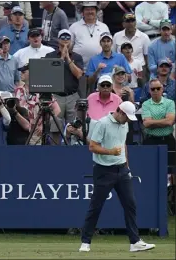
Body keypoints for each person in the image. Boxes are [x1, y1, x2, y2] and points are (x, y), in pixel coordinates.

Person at [79, 101, 156, 253]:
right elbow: (92, 146)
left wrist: (127, 166)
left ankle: (135, 242)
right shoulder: (102, 123)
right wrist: (110, 152)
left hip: (122, 170)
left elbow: (123, 145)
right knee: (96, 206)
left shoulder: (124, 124)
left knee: (130, 204)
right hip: (103, 171)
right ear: (119, 112)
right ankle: (85, 242)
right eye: (126, 116)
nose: (128, 120)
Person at [45, 29, 84, 144]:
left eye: (68, 38)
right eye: (63, 38)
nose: (66, 40)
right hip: (56, 96)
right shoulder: (50, 55)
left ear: (71, 41)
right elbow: (52, 75)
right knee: (55, 125)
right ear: (58, 40)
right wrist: (62, 57)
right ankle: (56, 150)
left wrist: (68, 58)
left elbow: (78, 74)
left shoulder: (77, 57)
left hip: (72, 96)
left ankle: (72, 150)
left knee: (74, 127)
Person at [69, 1, 109, 71]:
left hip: (100, 68)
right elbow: (69, 47)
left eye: (92, 9)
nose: (90, 12)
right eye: (87, 9)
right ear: (83, 12)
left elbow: (109, 47)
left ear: (96, 11)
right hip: (79, 68)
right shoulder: (74, 27)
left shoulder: (104, 27)